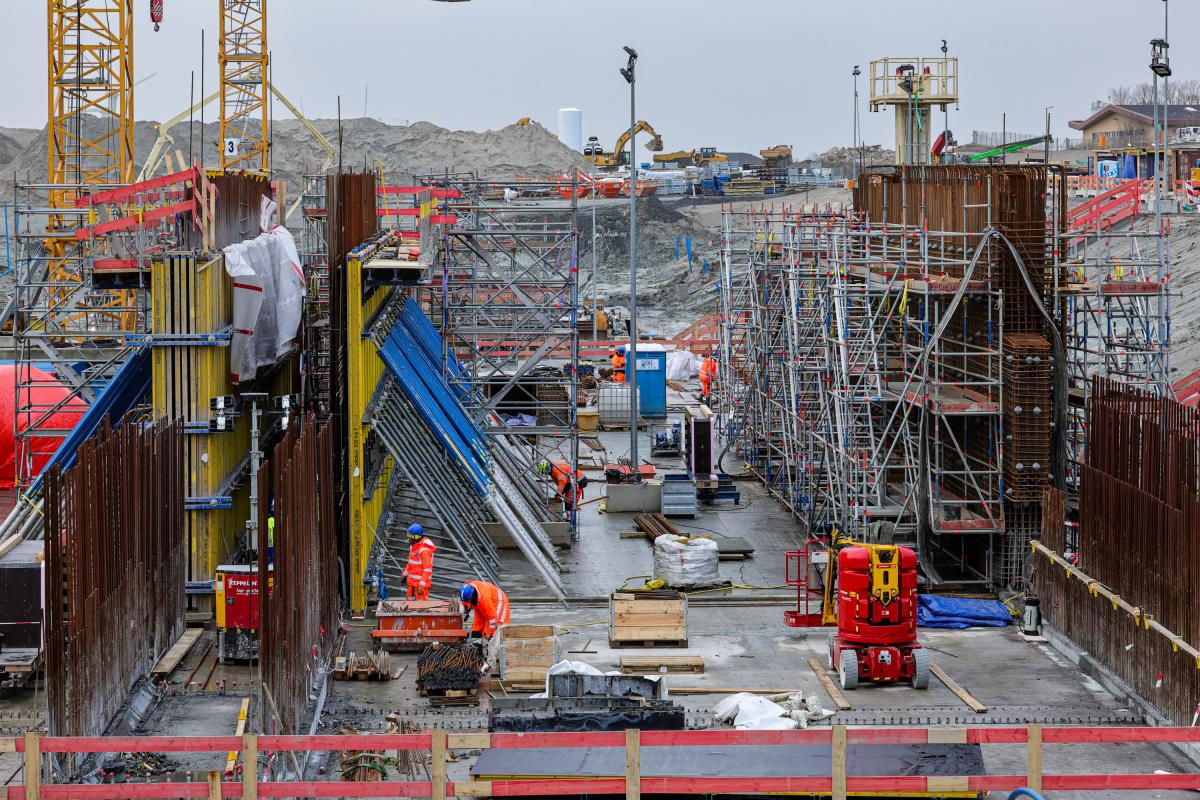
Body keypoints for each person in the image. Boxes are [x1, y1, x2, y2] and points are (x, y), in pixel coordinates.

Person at [402, 524, 437, 600]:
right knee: (410, 602)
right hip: (412, 582)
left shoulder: (424, 550)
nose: (409, 539)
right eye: (409, 537)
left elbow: (427, 569)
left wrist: (422, 585)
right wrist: (405, 575)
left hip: (420, 585)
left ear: (417, 537)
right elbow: (411, 563)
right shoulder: (413, 547)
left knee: (421, 606)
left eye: (411, 537)